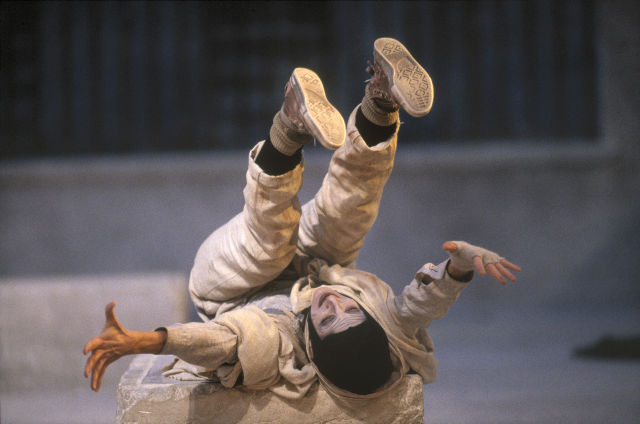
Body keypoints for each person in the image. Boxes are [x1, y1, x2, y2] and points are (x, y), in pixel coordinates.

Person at [83, 37, 520, 400]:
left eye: (328, 320)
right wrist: (459, 267)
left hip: (229, 285)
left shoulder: (278, 342)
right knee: (347, 215)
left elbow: (220, 343)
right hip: (313, 266)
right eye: (351, 309)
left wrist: (145, 341)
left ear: (312, 346)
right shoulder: (381, 332)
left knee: (267, 245)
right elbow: (416, 310)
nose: (334, 304)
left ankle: (289, 127)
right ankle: (381, 99)